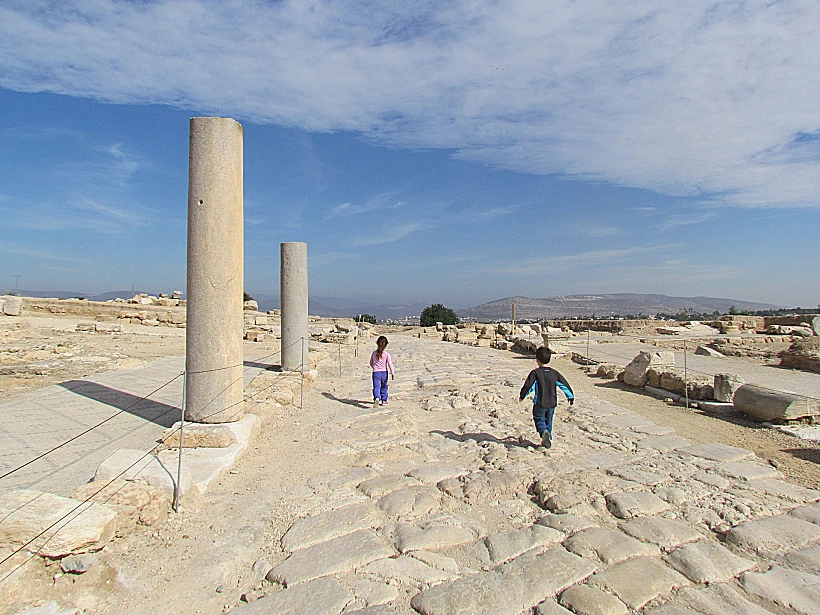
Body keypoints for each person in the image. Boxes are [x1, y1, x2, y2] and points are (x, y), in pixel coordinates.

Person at [519, 346, 574, 448]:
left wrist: (522, 395)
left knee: (539, 419)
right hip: (552, 403)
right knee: (549, 420)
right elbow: (564, 384)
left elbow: (529, 385)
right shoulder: (554, 373)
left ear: (537, 360)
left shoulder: (536, 373)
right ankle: (547, 437)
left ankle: (543, 432)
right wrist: (570, 396)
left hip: (540, 403)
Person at [369, 335, 395, 407]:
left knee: (376, 387)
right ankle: (384, 400)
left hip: (376, 373)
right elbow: (390, 364)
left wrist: (375, 368)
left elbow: (371, 363)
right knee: (384, 386)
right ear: (386, 345)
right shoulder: (386, 354)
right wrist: (392, 373)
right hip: (384, 373)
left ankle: (377, 397)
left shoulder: (374, 353)